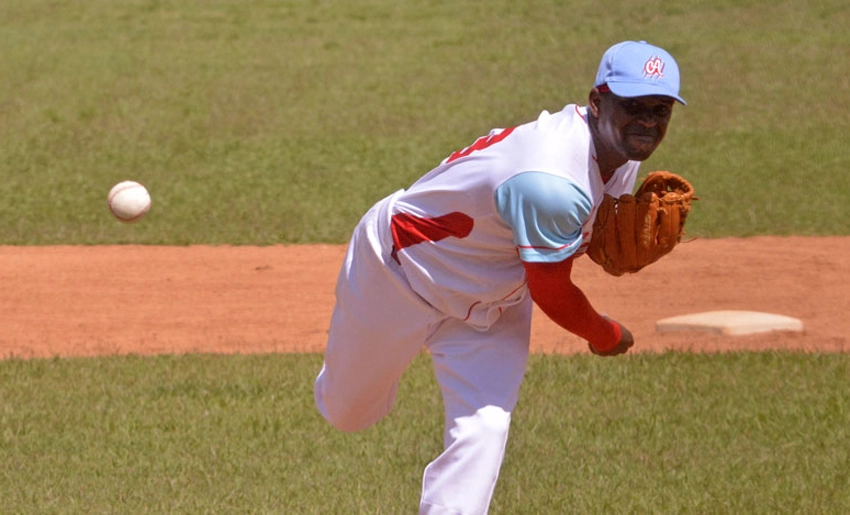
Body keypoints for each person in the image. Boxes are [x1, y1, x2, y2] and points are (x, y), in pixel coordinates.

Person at [314, 40, 686, 514]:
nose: (648, 122)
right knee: (349, 414)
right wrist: (605, 333)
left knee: (484, 430)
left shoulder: (623, 157)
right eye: (633, 106)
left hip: (492, 303)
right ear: (597, 101)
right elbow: (551, 289)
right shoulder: (551, 178)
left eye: (660, 109)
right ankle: (342, 373)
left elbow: (572, 240)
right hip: (400, 274)